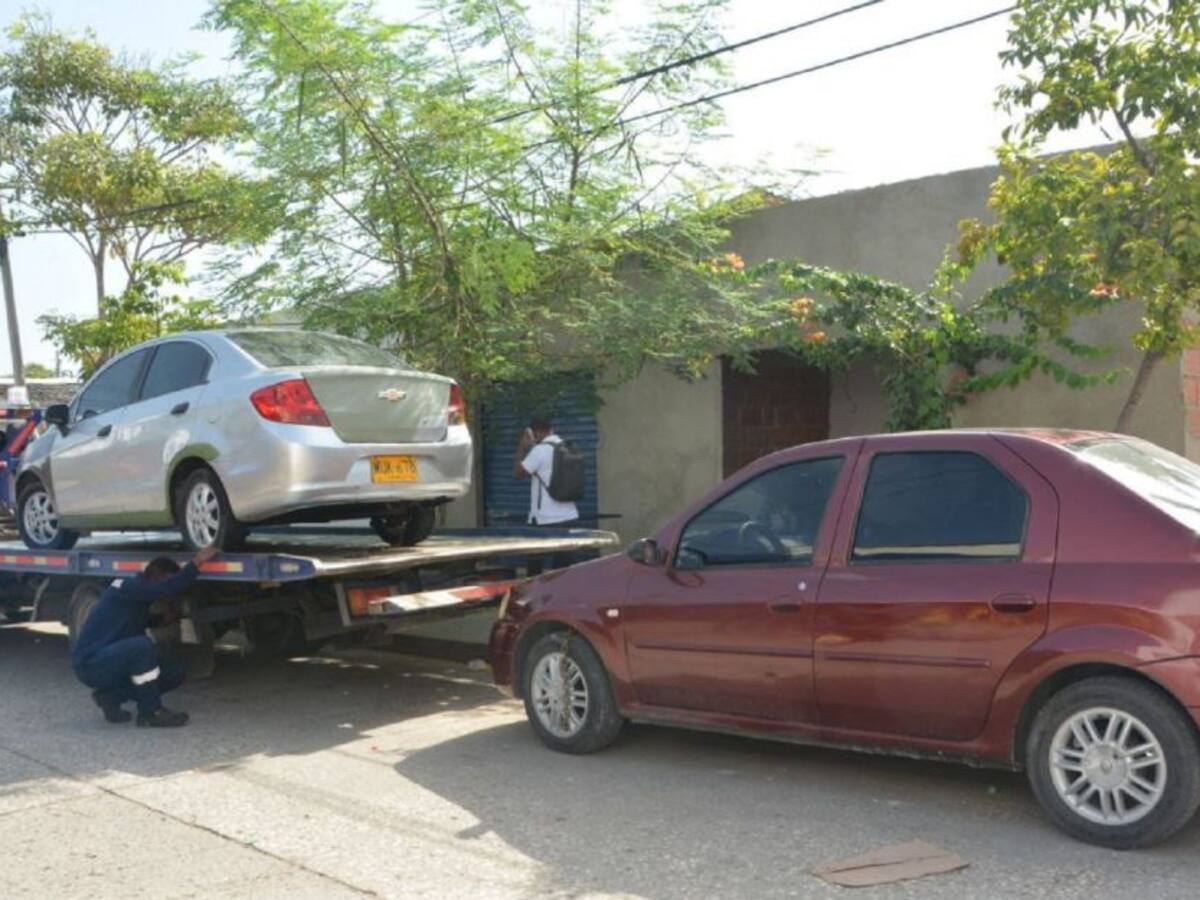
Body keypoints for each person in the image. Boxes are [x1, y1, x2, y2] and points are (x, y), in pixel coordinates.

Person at [72, 545, 218, 727]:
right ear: (156, 577)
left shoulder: (135, 595)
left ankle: (110, 697)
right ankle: (151, 713)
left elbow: (130, 622)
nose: (168, 594)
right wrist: (197, 563)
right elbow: (167, 589)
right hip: (91, 664)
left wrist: (162, 620)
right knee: (141, 646)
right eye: (167, 581)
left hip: (112, 660)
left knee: (174, 673)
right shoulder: (128, 586)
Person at [513, 414, 579, 527]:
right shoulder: (567, 447)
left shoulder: (539, 451)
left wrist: (522, 446)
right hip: (571, 516)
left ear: (537, 433)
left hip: (547, 520)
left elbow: (518, 474)